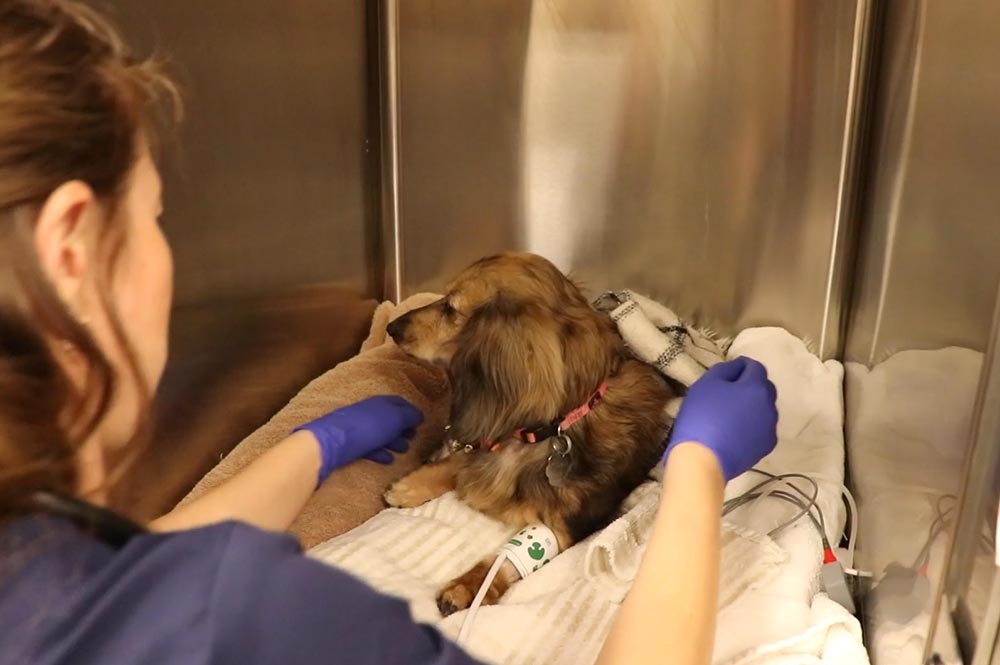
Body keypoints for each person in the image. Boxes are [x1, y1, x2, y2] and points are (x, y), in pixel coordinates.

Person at [0, 2, 778, 664]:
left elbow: (136, 564)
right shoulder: (249, 614)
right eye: (154, 216)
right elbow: (176, 587)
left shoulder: (36, 554)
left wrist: (315, 447)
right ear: (71, 251)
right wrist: (698, 475)